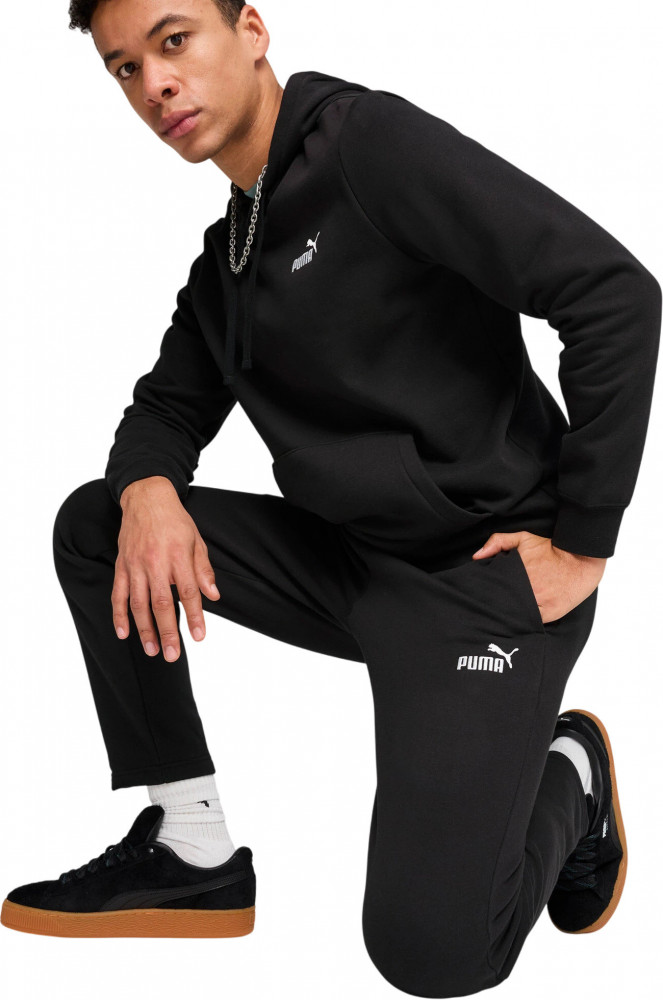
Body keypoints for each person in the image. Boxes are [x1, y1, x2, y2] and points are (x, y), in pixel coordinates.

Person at [1, 0, 659, 994]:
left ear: (251, 30)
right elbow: (165, 409)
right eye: (124, 68)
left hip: (481, 581)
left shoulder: (369, 147)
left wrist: (583, 544)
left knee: (433, 955)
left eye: (174, 41)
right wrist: (148, 489)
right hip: (348, 563)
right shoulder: (231, 252)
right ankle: (188, 842)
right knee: (101, 523)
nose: (155, 84)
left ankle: (571, 772)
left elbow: (613, 296)